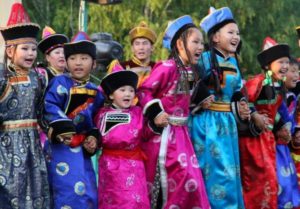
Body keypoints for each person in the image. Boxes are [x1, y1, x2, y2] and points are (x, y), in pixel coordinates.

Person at [137, 15, 210, 209]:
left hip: (182, 135)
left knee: (190, 180)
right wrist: (155, 113)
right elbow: (144, 90)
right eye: (195, 42)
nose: (201, 47)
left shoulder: (192, 71)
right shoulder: (167, 67)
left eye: (202, 43)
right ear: (179, 44)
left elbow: (185, 100)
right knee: (166, 181)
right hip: (162, 136)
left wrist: (199, 103)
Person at [189, 7, 247, 209]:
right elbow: (192, 82)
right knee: (216, 173)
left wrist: (243, 107)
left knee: (230, 174)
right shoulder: (204, 58)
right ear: (214, 37)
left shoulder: (233, 61)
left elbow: (237, 90)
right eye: (231, 32)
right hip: (208, 124)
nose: (236, 37)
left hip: (227, 125)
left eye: (237, 33)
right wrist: (202, 96)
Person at [43, 31, 104, 208]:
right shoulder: (60, 83)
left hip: (82, 153)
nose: (78, 63)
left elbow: (96, 120)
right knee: (64, 191)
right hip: (59, 149)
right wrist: (63, 128)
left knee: (88, 191)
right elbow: (50, 106)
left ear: (94, 64)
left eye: (84, 58)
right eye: (73, 58)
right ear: (66, 62)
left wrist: (93, 137)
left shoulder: (96, 92)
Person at [0, 3, 50, 208]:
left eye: (33, 49)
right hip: (5, 146)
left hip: (33, 146)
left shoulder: (39, 78)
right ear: (10, 51)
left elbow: (41, 113)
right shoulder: (3, 78)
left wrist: (56, 129)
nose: (31, 54)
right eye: (25, 49)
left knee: (34, 190)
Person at [239, 37, 291, 209]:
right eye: (281, 62)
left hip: (267, 139)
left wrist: (281, 126)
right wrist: (255, 116)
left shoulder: (277, 86)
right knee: (257, 180)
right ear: (268, 65)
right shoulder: (259, 81)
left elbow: (271, 111)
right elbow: (245, 100)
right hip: (253, 141)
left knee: (270, 178)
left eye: (287, 62)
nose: (285, 66)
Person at [95, 70, 150, 209]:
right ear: (111, 95)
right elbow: (97, 136)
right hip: (109, 167)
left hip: (134, 166)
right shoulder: (102, 114)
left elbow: (146, 133)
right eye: (122, 90)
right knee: (111, 200)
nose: (128, 94)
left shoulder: (138, 112)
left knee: (134, 200)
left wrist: (156, 125)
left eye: (131, 90)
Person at [274, 56, 300, 209]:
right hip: (274, 147)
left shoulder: (292, 96)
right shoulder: (274, 95)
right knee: (281, 185)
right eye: (293, 71)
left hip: (285, 148)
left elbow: (293, 118)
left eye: (298, 72)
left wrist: (296, 131)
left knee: (291, 184)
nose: (297, 76)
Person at [108, 21, 157, 88]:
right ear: (132, 48)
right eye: (137, 44)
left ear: (152, 48)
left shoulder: (157, 68)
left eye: (145, 43)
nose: (141, 47)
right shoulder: (122, 67)